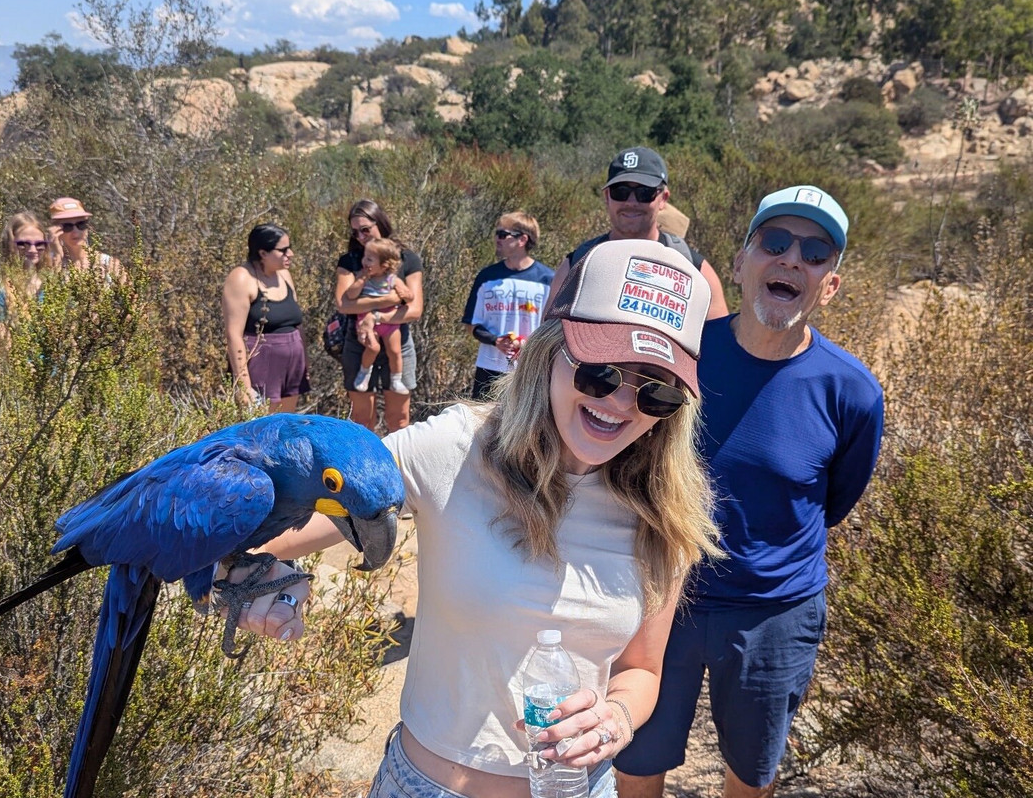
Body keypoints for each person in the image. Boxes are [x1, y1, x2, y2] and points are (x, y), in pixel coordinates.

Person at [255, 238, 724, 798]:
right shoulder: (455, 449)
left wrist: (616, 718)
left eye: (656, 393)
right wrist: (249, 576)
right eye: (602, 373)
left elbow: (642, 669)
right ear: (551, 349)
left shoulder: (666, 511)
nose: (621, 403)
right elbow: (273, 532)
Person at [614, 185, 885, 798]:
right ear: (739, 264)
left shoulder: (852, 392)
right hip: (661, 596)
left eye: (816, 253)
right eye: (775, 242)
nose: (792, 259)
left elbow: (834, 500)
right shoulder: (679, 356)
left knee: (751, 775)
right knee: (635, 764)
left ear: (830, 284)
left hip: (775, 613)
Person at [546, 146, 729, 321]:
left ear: (663, 198)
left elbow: (718, 342)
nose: (631, 202)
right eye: (621, 192)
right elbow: (546, 340)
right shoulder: (577, 264)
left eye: (644, 193)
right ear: (607, 197)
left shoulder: (694, 269)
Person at [335, 199, 424, 433]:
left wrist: (375, 315)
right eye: (355, 232)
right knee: (362, 421)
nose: (361, 236)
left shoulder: (407, 259)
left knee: (400, 420)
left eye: (365, 229)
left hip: (397, 340)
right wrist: (391, 301)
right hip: (360, 342)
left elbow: (414, 310)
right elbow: (344, 304)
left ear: (381, 223)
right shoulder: (351, 261)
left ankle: (397, 467)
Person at [461, 211, 554, 400]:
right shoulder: (487, 277)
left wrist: (528, 346)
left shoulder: (548, 280)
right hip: (489, 367)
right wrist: (496, 341)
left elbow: (553, 328)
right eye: (497, 234)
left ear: (522, 240)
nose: (497, 239)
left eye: (503, 235)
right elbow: (471, 325)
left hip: (529, 369)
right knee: (482, 423)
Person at [222, 223, 311, 412]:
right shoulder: (241, 278)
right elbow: (234, 335)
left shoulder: (284, 275)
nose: (291, 254)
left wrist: (305, 364)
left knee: (285, 425)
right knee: (260, 429)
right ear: (263, 253)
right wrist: (244, 386)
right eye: (283, 250)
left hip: (292, 365)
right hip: (261, 365)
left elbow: (297, 323)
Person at [345, 237, 415, 394]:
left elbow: (410, 297)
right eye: (364, 256)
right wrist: (361, 280)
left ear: (384, 265)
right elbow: (350, 295)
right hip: (365, 321)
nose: (364, 261)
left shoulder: (393, 280)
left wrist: (405, 294)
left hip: (390, 322)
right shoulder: (363, 278)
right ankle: (364, 373)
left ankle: (396, 379)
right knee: (373, 347)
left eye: (369, 259)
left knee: (395, 351)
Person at [0, 212, 57, 343]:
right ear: (9, 244)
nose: (33, 250)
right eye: (23, 244)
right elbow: (0, 344)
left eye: (39, 244)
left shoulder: (52, 285)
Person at [47, 197, 124, 282]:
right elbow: (50, 289)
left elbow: (130, 293)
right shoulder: (48, 264)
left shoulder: (109, 263)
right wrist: (57, 253)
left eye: (81, 224)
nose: (75, 232)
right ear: (55, 229)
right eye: (67, 226)